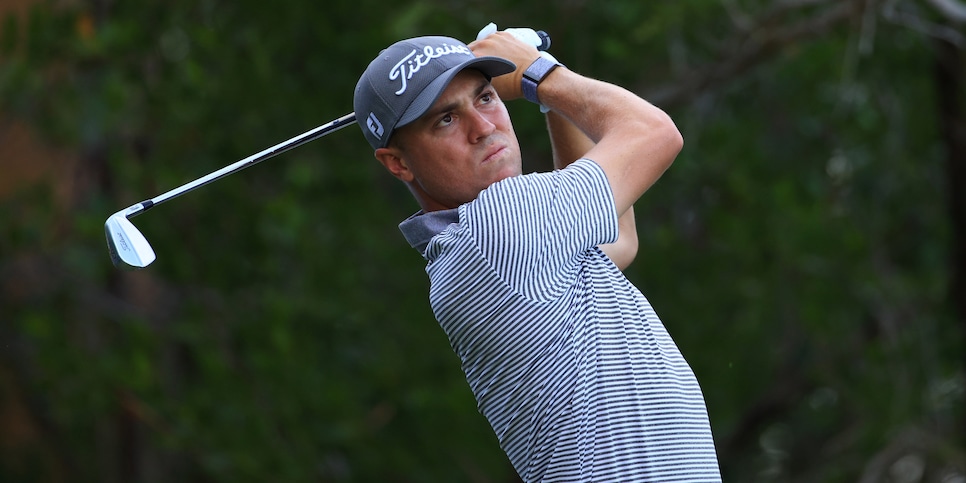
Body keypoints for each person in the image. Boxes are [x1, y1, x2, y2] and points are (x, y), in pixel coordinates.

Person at [354, 29, 722, 482]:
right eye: (445, 120)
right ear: (399, 163)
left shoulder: (474, 247)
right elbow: (655, 133)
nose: (484, 127)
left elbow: (616, 241)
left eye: (486, 97)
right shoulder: (498, 226)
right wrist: (541, 73)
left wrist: (547, 94)